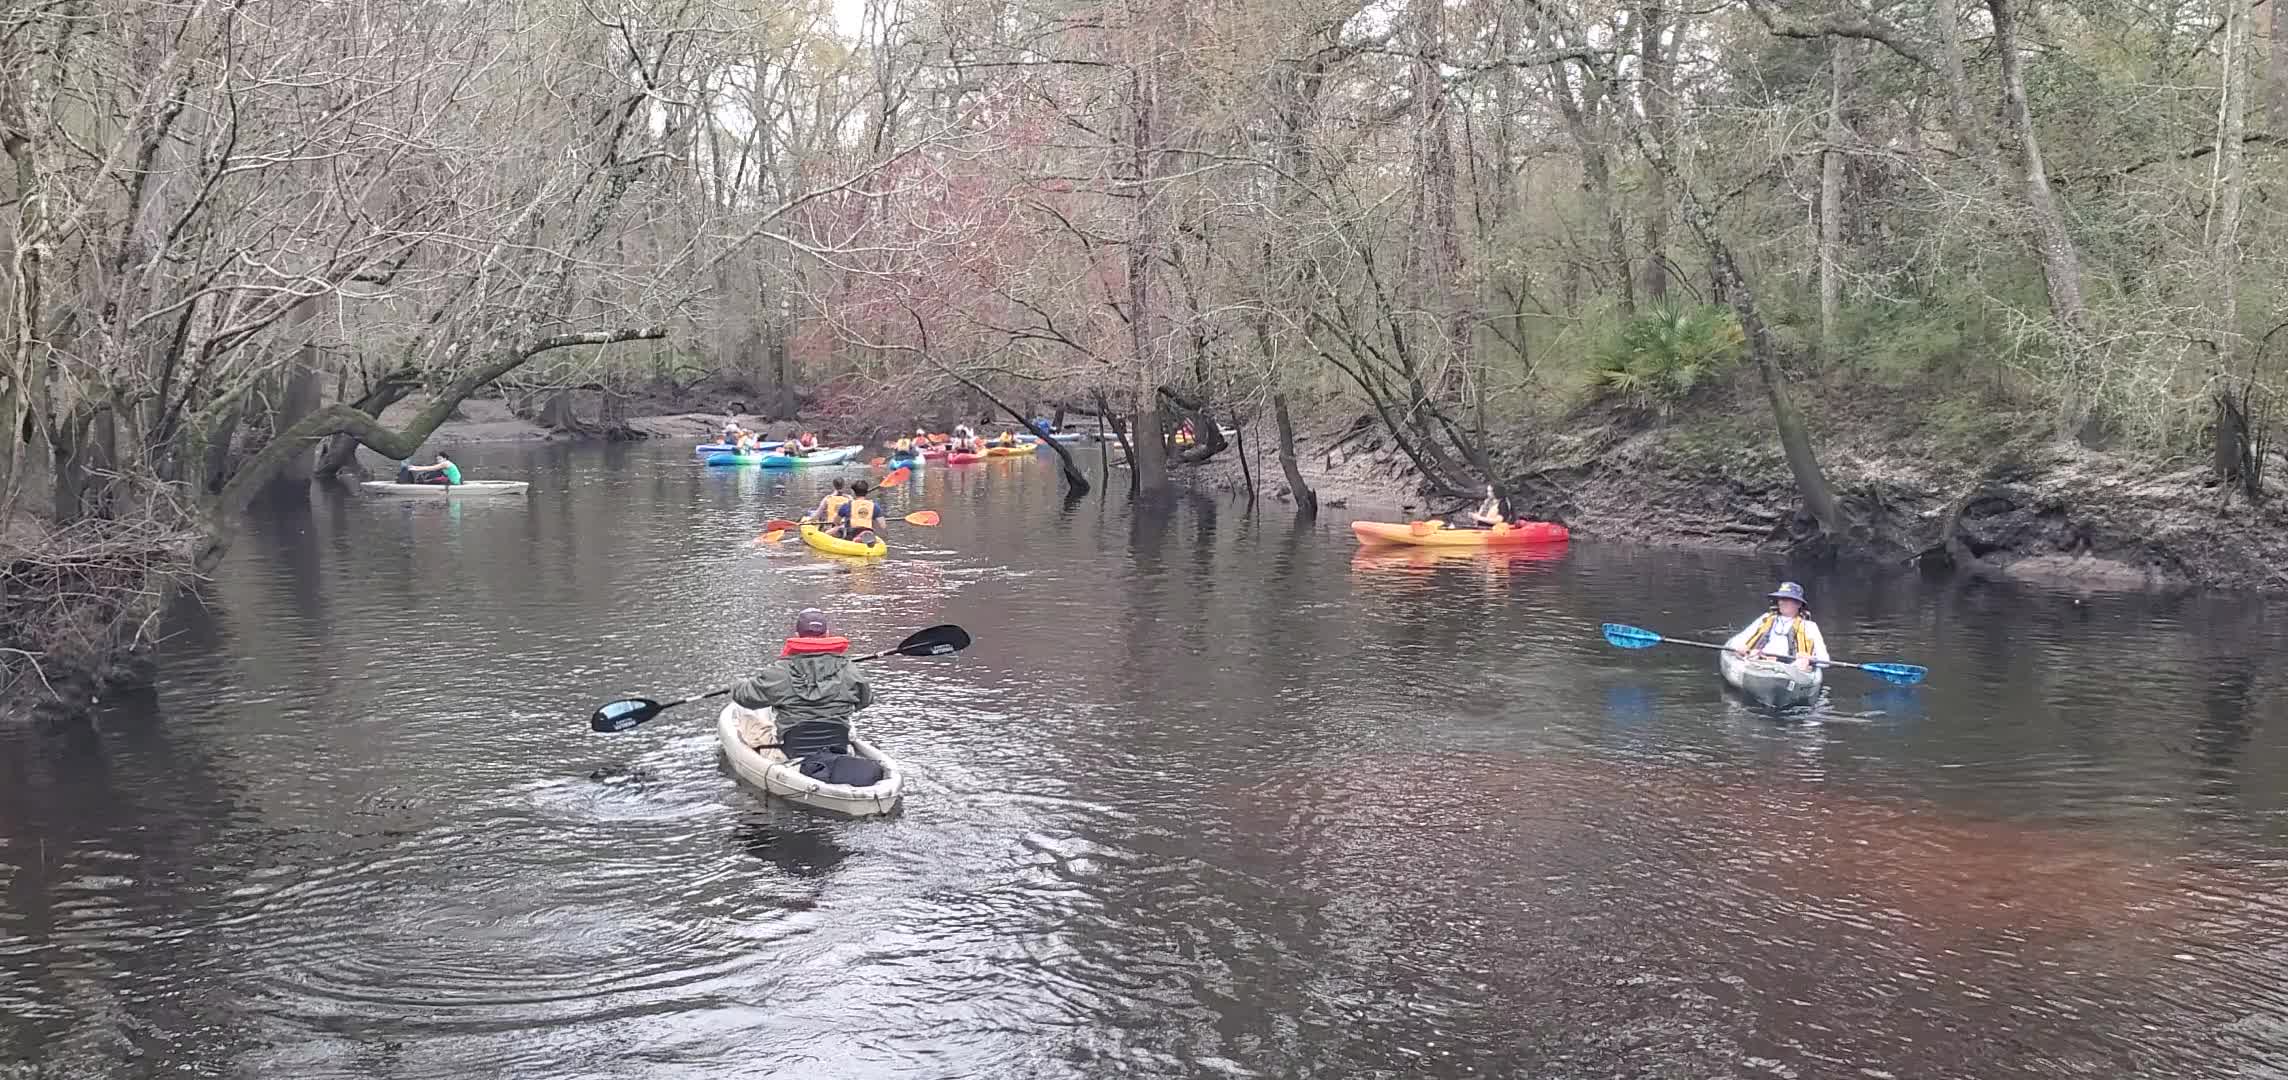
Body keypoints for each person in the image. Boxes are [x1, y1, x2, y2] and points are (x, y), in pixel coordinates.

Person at [730, 609, 875, 771]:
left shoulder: (780, 671)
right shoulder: (849, 669)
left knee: (743, 717)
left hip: (789, 753)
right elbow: (866, 700)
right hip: (837, 747)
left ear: (797, 635)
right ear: (827, 634)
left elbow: (744, 698)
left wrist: (738, 685)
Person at [1725, 583, 1831, 671]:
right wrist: (1740, 648)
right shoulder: (1766, 619)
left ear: (1798, 604)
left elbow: (1825, 661)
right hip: (1760, 661)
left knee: (1802, 663)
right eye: (1780, 599)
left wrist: (1809, 658)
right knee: (1752, 653)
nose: (1781, 602)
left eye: (1787, 599)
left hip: (1791, 667)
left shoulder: (1809, 626)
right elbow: (1739, 639)